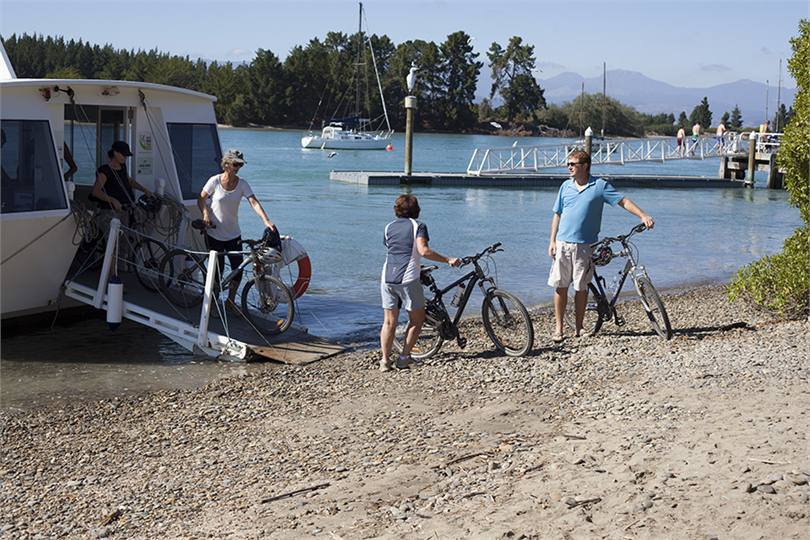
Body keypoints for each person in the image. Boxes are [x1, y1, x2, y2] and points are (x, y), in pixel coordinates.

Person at [547, 150, 655, 343]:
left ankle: (579, 328)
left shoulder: (600, 185)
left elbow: (623, 201)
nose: (569, 167)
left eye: (573, 164)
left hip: (585, 245)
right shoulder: (565, 186)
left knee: (581, 288)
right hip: (563, 243)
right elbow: (557, 214)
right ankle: (559, 329)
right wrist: (552, 241)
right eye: (568, 164)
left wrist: (643, 215)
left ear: (585, 165)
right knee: (560, 286)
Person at [379, 194, 460, 372]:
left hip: (387, 277)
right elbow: (423, 250)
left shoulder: (388, 227)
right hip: (407, 279)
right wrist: (448, 260)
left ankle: (385, 361)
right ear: (417, 210)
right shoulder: (418, 226)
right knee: (417, 319)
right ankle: (404, 358)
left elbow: (396, 250)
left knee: (389, 322)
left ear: (396, 210)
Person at [198, 149, 276, 313]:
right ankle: (211, 302)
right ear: (226, 164)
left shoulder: (242, 184)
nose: (238, 167)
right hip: (214, 234)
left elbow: (253, 202)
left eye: (240, 164)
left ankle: (230, 302)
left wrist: (266, 220)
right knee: (216, 272)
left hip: (233, 234)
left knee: (237, 271)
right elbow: (201, 198)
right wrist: (205, 213)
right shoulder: (214, 181)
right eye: (235, 164)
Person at [92, 140, 152, 211]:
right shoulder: (104, 171)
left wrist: (144, 190)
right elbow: (96, 192)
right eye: (123, 155)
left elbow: (129, 181)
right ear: (115, 152)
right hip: (110, 211)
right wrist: (113, 200)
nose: (125, 157)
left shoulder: (123, 166)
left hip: (126, 208)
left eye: (127, 155)